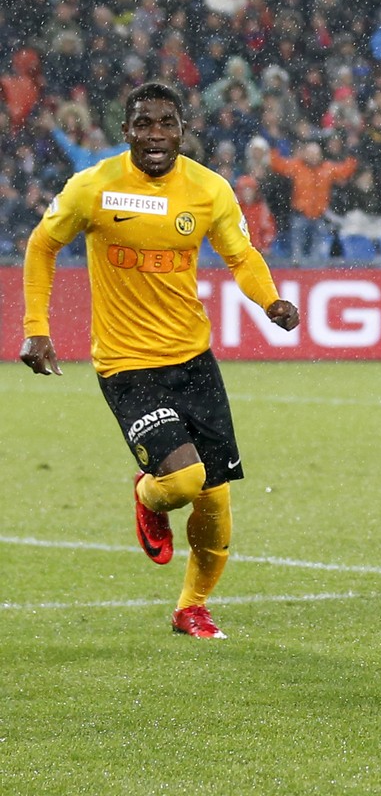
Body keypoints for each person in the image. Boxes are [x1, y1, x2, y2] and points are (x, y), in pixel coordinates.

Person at [16, 82, 300, 638]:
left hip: (193, 360)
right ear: (125, 131)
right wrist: (35, 329)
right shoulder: (93, 187)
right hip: (127, 365)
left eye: (165, 123)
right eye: (143, 124)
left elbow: (241, 254)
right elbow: (41, 245)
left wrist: (270, 300)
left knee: (214, 503)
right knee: (181, 483)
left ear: (181, 130)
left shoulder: (208, 190)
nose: (154, 135)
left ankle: (191, 607)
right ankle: (146, 494)